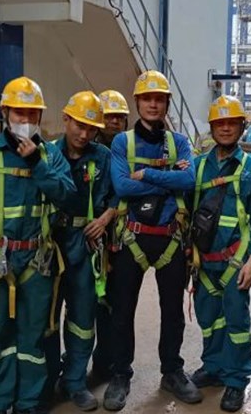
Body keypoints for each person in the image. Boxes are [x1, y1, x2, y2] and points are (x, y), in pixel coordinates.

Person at [0, 76, 76, 414]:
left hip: (37, 263)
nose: (25, 122)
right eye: (19, 113)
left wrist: (37, 163)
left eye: (32, 115)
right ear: (5, 113)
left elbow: (68, 198)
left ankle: (28, 404)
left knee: (32, 339)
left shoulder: (51, 155)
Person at [102, 70, 201, 411]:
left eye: (159, 99)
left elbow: (188, 182)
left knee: (172, 311)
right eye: (147, 98)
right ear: (138, 102)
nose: (153, 104)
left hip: (171, 239)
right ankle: (120, 374)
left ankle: (171, 371)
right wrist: (169, 178)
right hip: (133, 238)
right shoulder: (122, 143)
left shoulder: (180, 142)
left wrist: (147, 174)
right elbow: (122, 187)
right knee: (122, 311)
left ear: (166, 103)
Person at [188, 96, 251, 412]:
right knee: (208, 319)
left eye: (231, 122)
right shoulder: (198, 166)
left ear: (241, 127)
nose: (225, 128)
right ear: (211, 128)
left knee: (235, 321)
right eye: (219, 123)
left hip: (236, 259)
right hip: (203, 260)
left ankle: (236, 380)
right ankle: (214, 367)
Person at [44, 91, 116, 411]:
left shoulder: (102, 157)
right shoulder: (46, 154)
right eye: (79, 125)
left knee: (82, 318)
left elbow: (118, 194)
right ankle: (46, 381)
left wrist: (104, 218)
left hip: (85, 245)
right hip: (49, 245)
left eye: (91, 128)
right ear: (66, 119)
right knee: (46, 318)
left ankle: (75, 381)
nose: (84, 134)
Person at [91, 89, 129, 381]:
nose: (115, 122)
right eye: (110, 116)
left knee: (113, 308)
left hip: (118, 243)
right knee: (83, 308)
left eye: (120, 117)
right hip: (85, 242)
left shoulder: (131, 151)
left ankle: (108, 363)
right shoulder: (84, 151)